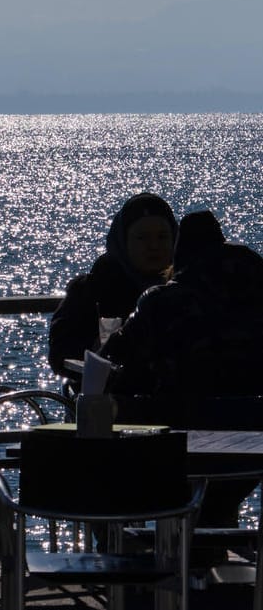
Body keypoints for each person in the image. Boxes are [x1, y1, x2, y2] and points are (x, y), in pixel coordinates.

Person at [103, 210, 263, 530]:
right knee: (223, 491)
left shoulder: (164, 300)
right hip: (253, 439)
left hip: (182, 435)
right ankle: (216, 549)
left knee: (110, 422)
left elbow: (116, 356)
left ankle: (122, 543)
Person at [46, 192, 176, 380]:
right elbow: (60, 353)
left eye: (162, 237)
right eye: (142, 238)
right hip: (108, 400)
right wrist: (95, 352)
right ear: (123, 241)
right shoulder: (92, 288)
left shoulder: (187, 287)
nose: (154, 246)